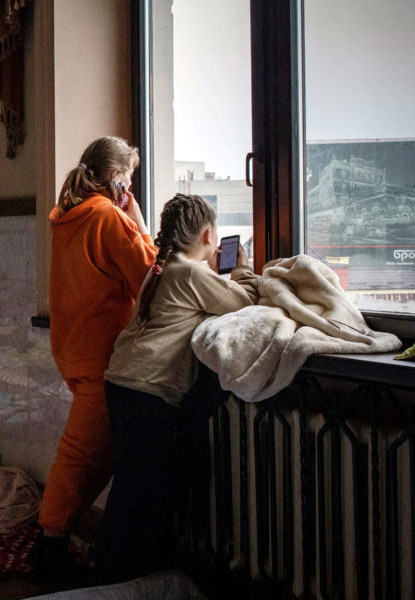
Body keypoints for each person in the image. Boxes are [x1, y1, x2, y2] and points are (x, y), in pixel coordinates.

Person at [96, 194, 258, 582]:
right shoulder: (190, 273)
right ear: (207, 234)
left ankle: (115, 572)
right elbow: (245, 303)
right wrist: (242, 269)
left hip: (122, 381)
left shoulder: (160, 267)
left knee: (132, 484)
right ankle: (127, 576)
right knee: (147, 491)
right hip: (148, 389)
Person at [35, 136, 158, 580]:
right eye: (129, 179)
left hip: (74, 348)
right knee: (81, 454)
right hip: (105, 355)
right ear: (118, 181)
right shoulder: (107, 217)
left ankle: (59, 538)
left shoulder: (68, 217)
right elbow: (150, 279)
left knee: (98, 452)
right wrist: (139, 221)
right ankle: (48, 545)